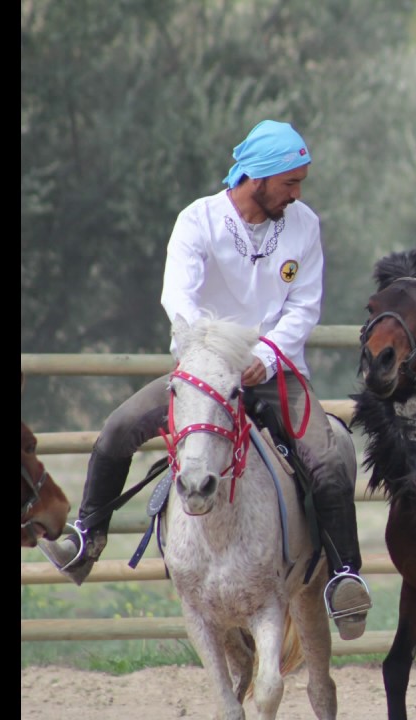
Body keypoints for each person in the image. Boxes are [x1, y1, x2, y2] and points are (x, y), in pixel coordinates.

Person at [39, 120, 372, 642]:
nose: (298, 193)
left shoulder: (304, 224)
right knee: (117, 429)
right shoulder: (197, 221)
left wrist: (265, 353)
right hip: (203, 371)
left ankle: (345, 577)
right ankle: (87, 538)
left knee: (328, 458)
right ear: (257, 177)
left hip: (274, 370)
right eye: (290, 182)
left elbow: (305, 305)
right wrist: (211, 356)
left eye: (301, 182)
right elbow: (180, 300)